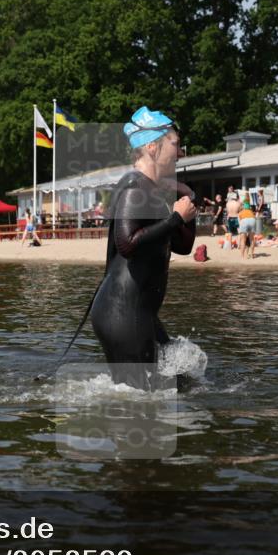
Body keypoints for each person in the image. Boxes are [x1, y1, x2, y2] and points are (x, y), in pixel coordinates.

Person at [90, 106, 196, 389]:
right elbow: (127, 243)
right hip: (122, 313)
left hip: (136, 312)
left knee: (182, 382)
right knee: (139, 402)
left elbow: (183, 246)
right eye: (175, 144)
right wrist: (175, 218)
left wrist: (186, 200)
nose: (181, 152)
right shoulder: (135, 187)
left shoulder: (152, 190)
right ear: (152, 147)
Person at [237, 193, 256, 259]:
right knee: (252, 239)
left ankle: (242, 256)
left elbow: (240, 224)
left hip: (244, 220)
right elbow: (247, 199)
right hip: (252, 219)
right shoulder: (251, 211)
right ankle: (252, 255)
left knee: (243, 240)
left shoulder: (240, 213)